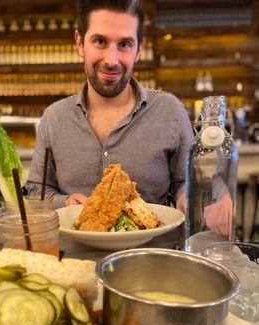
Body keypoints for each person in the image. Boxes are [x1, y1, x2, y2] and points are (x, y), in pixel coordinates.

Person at [27, 0, 193, 213]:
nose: (112, 60)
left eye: (124, 44)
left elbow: (185, 183)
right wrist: (65, 202)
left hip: (150, 246)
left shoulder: (170, 111)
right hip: (73, 246)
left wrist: (190, 198)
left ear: (139, 50)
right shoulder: (54, 118)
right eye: (100, 41)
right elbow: (36, 190)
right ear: (80, 43)